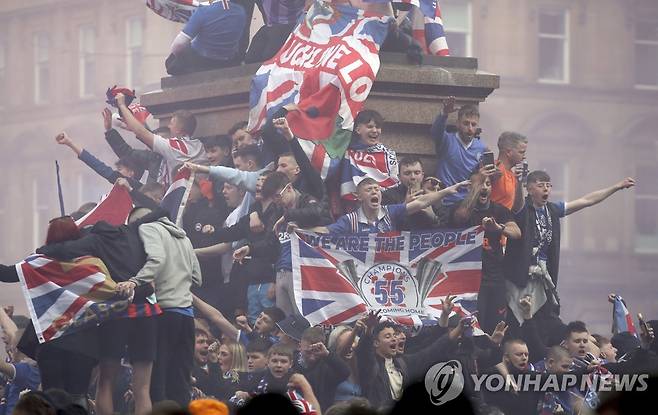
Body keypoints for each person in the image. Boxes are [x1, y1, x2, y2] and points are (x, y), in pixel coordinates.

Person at [504, 171, 636, 327]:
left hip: (543, 275)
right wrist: (518, 181)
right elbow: (516, 203)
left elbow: (587, 200)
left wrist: (616, 187)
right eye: (540, 186)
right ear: (530, 189)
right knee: (517, 318)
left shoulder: (552, 210)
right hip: (521, 274)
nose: (546, 189)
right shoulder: (522, 210)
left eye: (549, 185)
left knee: (545, 317)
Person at [116, 208, 202, 408]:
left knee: (157, 380)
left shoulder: (148, 228)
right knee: (180, 380)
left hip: (165, 313)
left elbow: (157, 259)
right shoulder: (184, 237)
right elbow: (197, 277)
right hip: (187, 316)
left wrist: (135, 281)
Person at [250, 171, 331, 317]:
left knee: (303, 318)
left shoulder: (306, 200)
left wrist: (288, 217)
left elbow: (316, 214)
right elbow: (270, 243)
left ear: (288, 188)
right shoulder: (277, 210)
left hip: (303, 271)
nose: (276, 201)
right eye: (273, 198)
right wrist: (249, 249)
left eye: (277, 196)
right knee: (285, 322)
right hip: (281, 272)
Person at [451, 172, 521, 334]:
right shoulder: (460, 208)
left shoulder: (499, 210)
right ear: (471, 187)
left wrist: (498, 228)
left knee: (496, 324)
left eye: (488, 184)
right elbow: (460, 217)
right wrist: (474, 190)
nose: (484, 187)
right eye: (480, 184)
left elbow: (516, 232)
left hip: (494, 277)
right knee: (473, 324)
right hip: (469, 281)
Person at [354, 311, 464, 410]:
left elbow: (433, 351)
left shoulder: (403, 363)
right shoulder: (370, 365)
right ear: (376, 343)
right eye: (388, 337)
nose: (394, 339)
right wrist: (369, 330)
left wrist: (459, 329)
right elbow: (364, 351)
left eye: (394, 335)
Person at [115, 92, 206, 187]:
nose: (168, 126)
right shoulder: (199, 145)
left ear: (179, 130)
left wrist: (122, 105)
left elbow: (141, 132)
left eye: (172, 123)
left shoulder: (175, 147)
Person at [323, 177, 469, 234]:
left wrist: (447, 191)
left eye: (377, 189)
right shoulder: (349, 221)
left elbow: (421, 202)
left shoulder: (390, 212)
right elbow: (324, 232)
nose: (375, 192)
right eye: (369, 190)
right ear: (358, 197)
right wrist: (300, 232)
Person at [430, 96, 488, 206]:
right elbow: (435, 132)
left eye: (473, 124)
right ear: (458, 124)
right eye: (466, 123)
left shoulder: (482, 148)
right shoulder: (447, 140)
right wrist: (444, 114)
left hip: (467, 202)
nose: (470, 128)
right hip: (445, 200)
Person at [166, 0, 246, 75]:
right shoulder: (241, 12)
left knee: (171, 61)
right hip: (227, 62)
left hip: (202, 62)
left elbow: (178, 45)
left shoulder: (203, 12)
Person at [381, 156, 448, 229]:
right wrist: (404, 207)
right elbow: (384, 225)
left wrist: (433, 216)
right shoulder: (388, 196)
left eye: (417, 173)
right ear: (399, 177)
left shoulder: (432, 196)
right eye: (407, 173)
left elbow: (446, 229)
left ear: (422, 175)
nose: (413, 177)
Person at [298, 326, 350, 411]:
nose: (312, 357)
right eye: (308, 352)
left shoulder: (327, 367)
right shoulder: (290, 362)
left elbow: (345, 372)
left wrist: (327, 354)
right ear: (299, 346)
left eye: (315, 352)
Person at [490, 131, 528, 212]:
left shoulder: (512, 175)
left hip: (506, 221)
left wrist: (519, 181)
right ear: (508, 152)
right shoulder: (492, 169)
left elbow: (516, 208)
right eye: (521, 152)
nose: (524, 157)